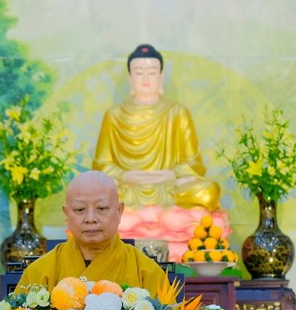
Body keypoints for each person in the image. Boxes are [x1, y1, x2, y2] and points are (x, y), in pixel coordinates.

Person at [92, 43, 227, 261]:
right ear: (129, 78)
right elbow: (101, 166)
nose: (146, 77)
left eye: (152, 71)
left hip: (170, 187)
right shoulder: (114, 115)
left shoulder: (177, 113)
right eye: (139, 72)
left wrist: (170, 174)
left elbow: (194, 163)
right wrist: (126, 175)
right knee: (95, 195)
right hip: (128, 187)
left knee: (209, 191)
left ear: (161, 76)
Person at [15, 170, 168, 294]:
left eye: (101, 208)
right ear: (67, 214)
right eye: (79, 209)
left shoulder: (147, 273)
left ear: (119, 211)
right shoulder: (39, 272)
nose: (90, 219)